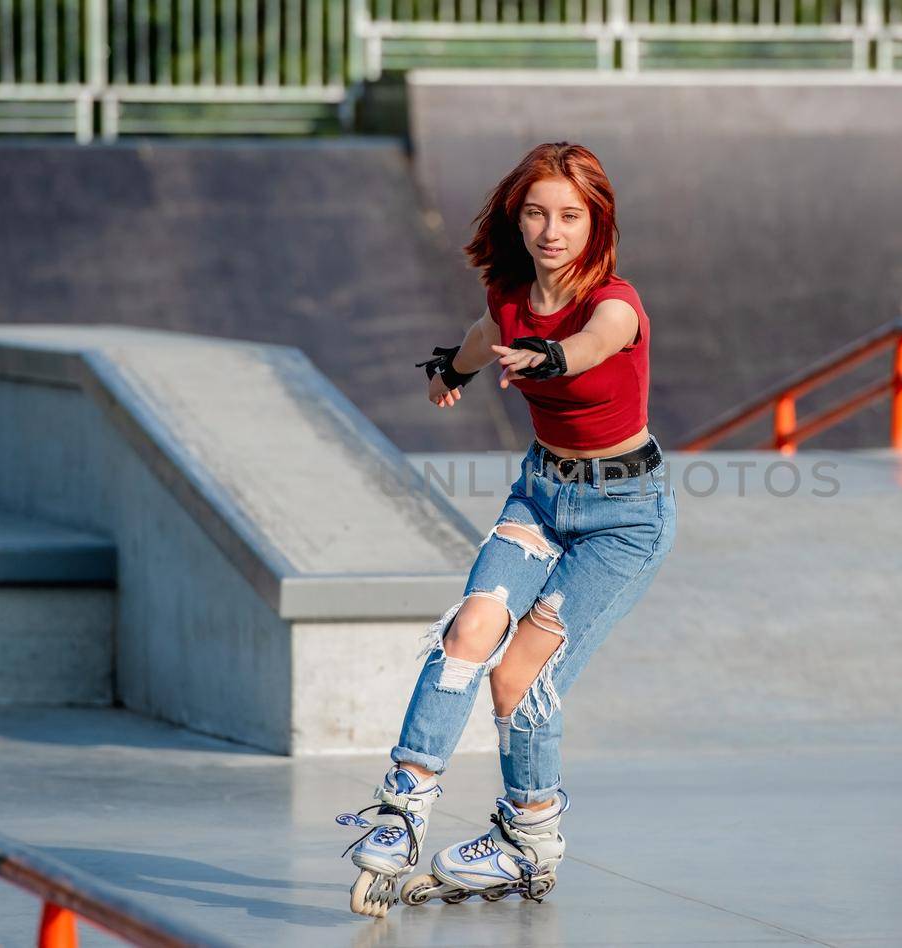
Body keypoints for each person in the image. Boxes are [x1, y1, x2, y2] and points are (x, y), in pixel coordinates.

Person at [336, 142, 677, 918]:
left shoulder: (612, 302)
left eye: (569, 216)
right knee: (469, 631)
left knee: (516, 675)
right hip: (541, 498)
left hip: (624, 519)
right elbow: (477, 333)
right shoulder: (509, 299)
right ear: (516, 218)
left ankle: (530, 837)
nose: (551, 231)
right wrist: (451, 372)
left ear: (596, 223)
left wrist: (555, 357)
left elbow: (597, 342)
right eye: (536, 213)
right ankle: (403, 806)